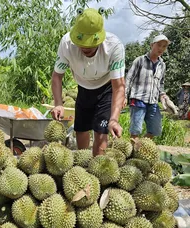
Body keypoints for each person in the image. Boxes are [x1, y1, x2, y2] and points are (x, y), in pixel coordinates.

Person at [51, 8, 125, 156]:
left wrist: (114, 119)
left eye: (90, 44)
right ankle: (83, 166)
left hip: (106, 89)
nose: (85, 47)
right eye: (82, 42)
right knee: (81, 130)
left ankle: (99, 165)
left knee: (101, 133)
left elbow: (119, 87)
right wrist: (58, 103)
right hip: (83, 88)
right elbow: (57, 76)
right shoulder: (66, 44)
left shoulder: (114, 47)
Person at [125, 34, 171, 139]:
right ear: (151, 45)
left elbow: (161, 83)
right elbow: (128, 79)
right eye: (159, 45)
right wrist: (124, 96)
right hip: (138, 99)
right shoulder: (140, 60)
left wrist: (163, 95)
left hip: (153, 101)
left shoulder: (162, 65)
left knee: (155, 129)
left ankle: (140, 148)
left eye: (164, 46)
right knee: (135, 129)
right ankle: (133, 151)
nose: (161, 48)